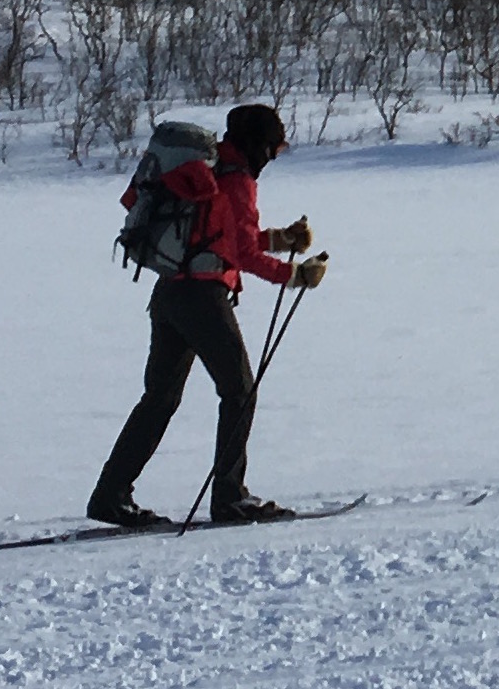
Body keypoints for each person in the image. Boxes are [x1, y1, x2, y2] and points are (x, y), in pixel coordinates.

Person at [90, 101, 328, 528]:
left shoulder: (215, 171)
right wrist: (295, 275)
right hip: (201, 299)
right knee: (239, 391)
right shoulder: (237, 180)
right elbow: (242, 253)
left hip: (170, 294)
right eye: (274, 148)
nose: (274, 157)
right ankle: (230, 497)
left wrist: (283, 237)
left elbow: (226, 235)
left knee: (159, 399)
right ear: (259, 146)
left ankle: (110, 496)